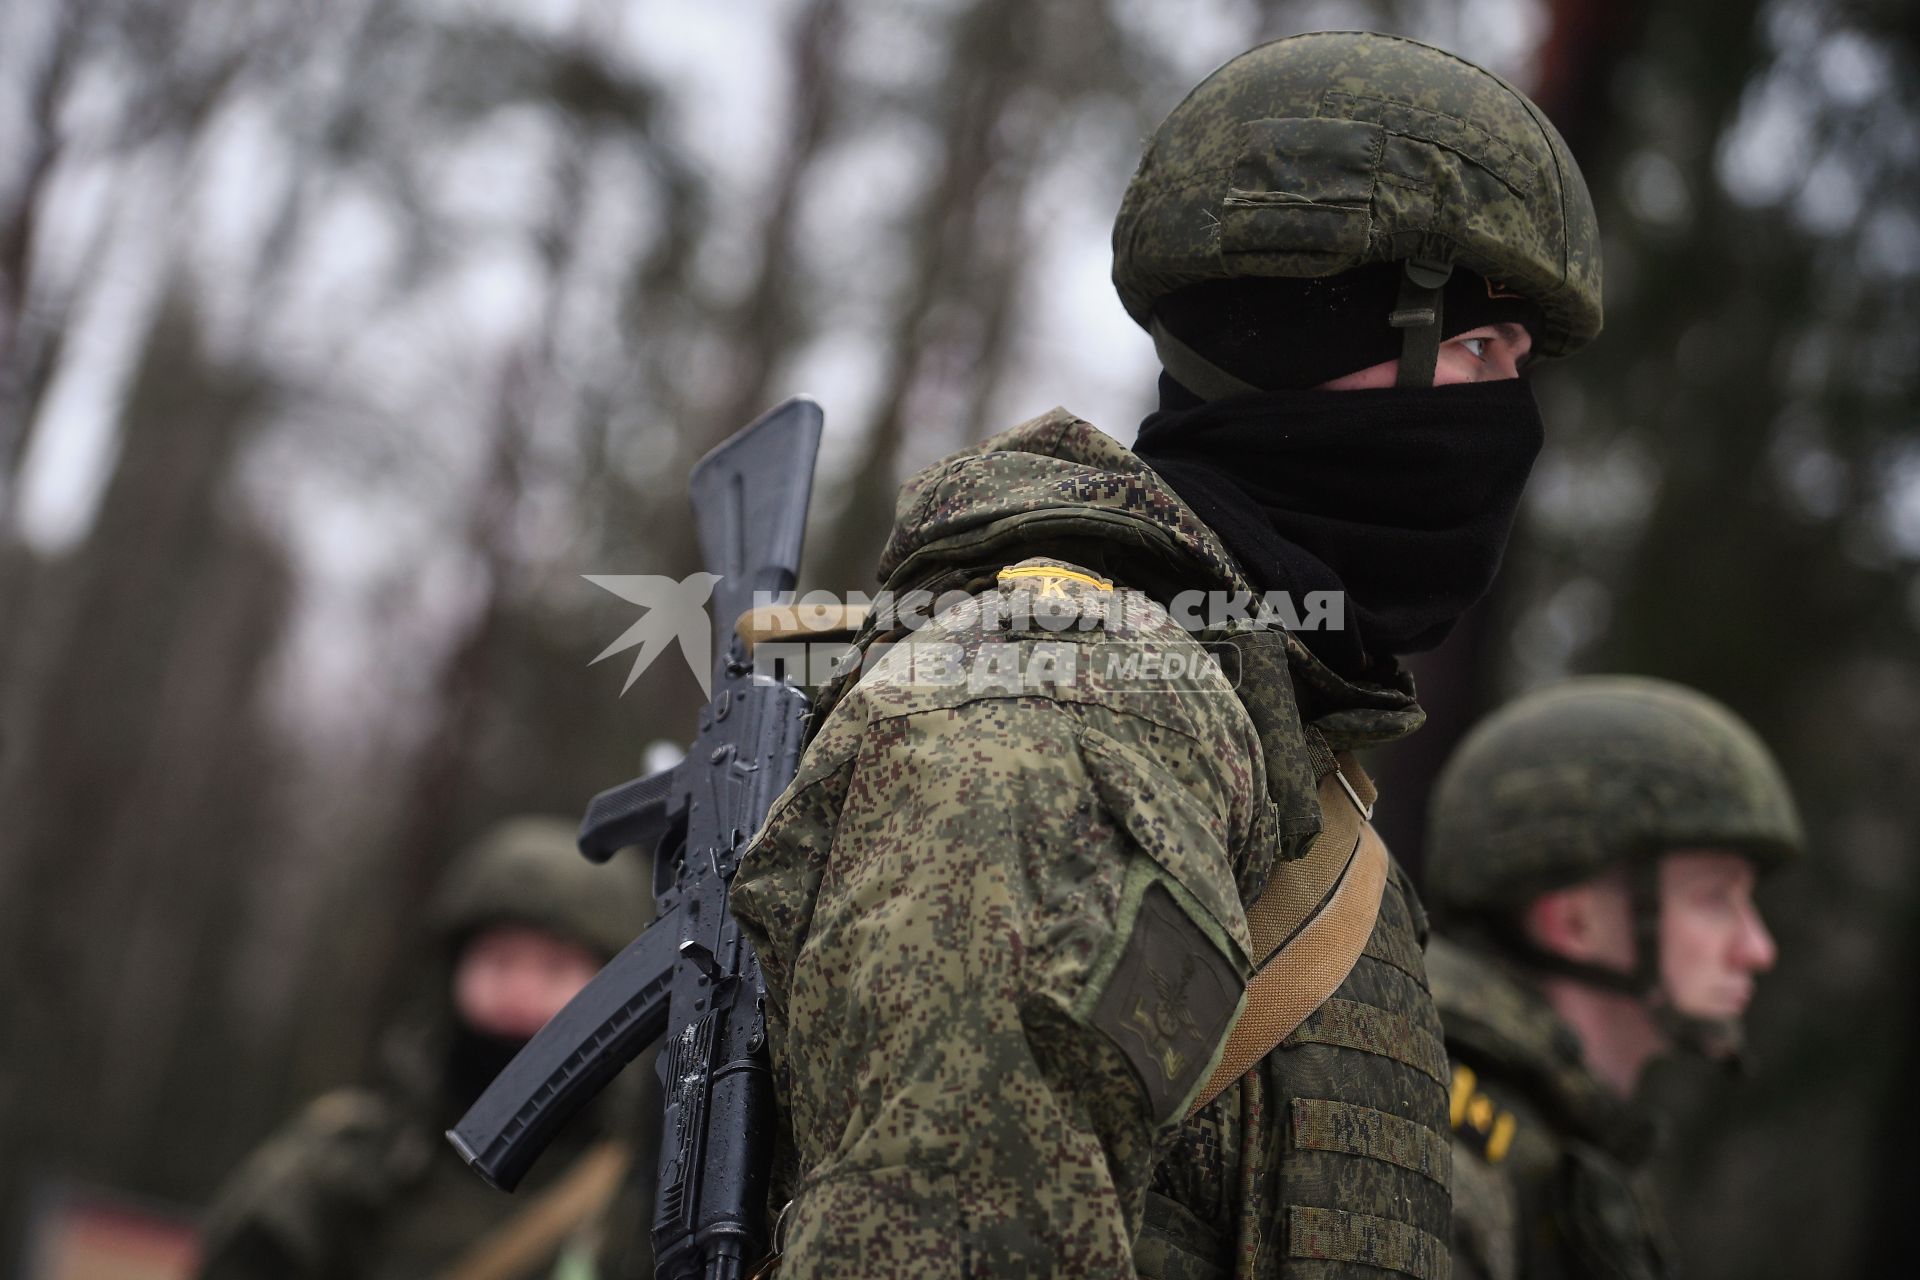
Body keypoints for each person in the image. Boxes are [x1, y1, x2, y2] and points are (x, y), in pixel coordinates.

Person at [729, 30, 1603, 1279]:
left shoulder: (1268, 734)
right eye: (1475, 351)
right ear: (1316, 335)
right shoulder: (1064, 707)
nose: (1502, 425)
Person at [1422, 677, 1802, 1280]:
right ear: (1573, 922)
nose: (1758, 949)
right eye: (1713, 898)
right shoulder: (1442, 1150)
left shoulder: (1569, 1141)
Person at [196, 817, 650, 1280]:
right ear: (454, 970)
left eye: (554, 968)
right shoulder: (340, 1163)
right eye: (500, 960)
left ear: (614, 987)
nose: (520, 988)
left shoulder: (651, 1191)